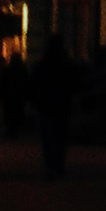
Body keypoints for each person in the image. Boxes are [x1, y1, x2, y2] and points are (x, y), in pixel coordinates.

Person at [33, 33, 79, 180]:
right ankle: (58, 164)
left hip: (46, 105)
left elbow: (35, 84)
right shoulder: (66, 64)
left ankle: (50, 165)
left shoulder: (42, 65)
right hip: (62, 105)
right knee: (60, 136)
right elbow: (74, 84)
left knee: (48, 136)